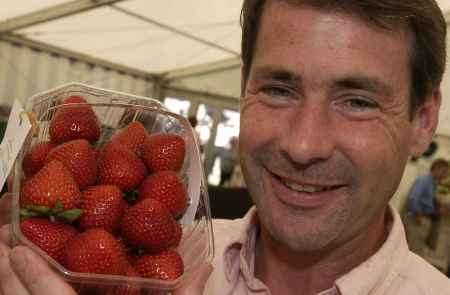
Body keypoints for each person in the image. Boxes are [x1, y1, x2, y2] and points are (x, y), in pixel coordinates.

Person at [1, 0, 450, 294]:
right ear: (244, 87)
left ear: (423, 122)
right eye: (278, 89)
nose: (303, 144)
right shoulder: (155, 261)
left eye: (358, 101)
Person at [404, 158, 449, 255]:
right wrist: (418, 215)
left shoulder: (432, 183)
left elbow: (426, 200)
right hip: (416, 219)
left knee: (417, 250)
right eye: (444, 171)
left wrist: (438, 204)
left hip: (423, 219)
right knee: (413, 251)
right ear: (437, 168)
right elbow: (413, 198)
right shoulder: (424, 180)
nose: (445, 175)